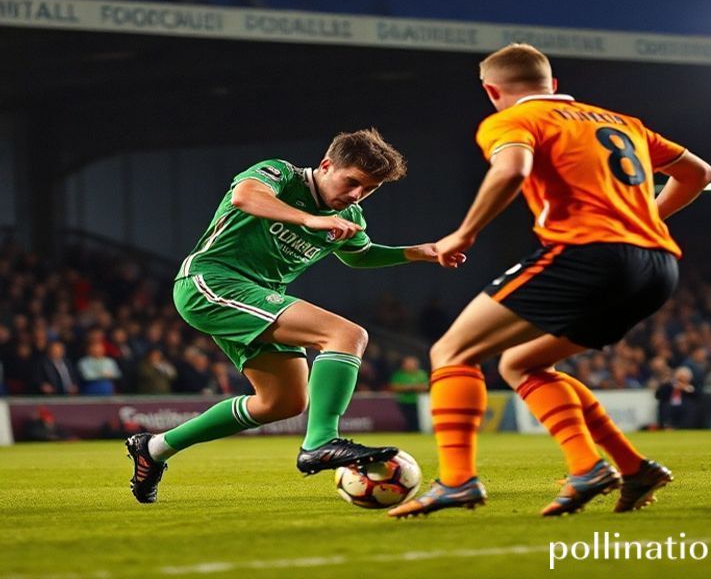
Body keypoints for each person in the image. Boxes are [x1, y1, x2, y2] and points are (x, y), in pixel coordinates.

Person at [389, 43, 711, 518]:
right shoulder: (622, 122)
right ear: (553, 85)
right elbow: (699, 174)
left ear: (492, 90)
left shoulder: (511, 121)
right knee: (522, 364)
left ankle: (457, 481)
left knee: (450, 353)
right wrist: (643, 218)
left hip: (589, 256)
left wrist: (464, 233)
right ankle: (622, 466)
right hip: (657, 267)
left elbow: (512, 168)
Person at [126, 128, 464, 504]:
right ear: (326, 165)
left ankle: (153, 448)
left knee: (283, 402)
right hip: (211, 281)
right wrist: (309, 220)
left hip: (256, 297)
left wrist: (419, 252)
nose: (356, 195)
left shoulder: (349, 214)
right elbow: (246, 196)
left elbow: (360, 254)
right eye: (352, 181)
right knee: (346, 335)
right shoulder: (281, 175)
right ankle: (319, 443)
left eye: (368, 190)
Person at [388, 355, 429, 431]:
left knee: (419, 419)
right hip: (403, 401)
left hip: (419, 402)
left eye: (411, 364)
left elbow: (426, 386)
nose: (409, 365)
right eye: (407, 364)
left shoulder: (421, 374)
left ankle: (419, 431)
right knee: (407, 420)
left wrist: (414, 387)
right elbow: (393, 387)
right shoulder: (399, 375)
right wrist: (408, 388)